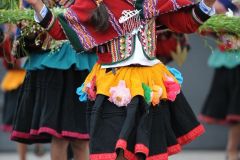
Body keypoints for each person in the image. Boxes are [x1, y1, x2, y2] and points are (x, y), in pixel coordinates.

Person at [25, 0, 216, 159]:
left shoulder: (152, 2)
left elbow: (187, 22)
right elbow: (62, 30)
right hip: (114, 83)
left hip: (148, 83)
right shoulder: (96, 2)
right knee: (115, 150)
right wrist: (36, 5)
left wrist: (208, 2)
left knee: (147, 150)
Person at [10, 1, 97, 160]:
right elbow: (25, 22)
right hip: (52, 66)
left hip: (83, 64)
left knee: (82, 138)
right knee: (59, 136)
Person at [199, 0, 240, 160]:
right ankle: (231, 150)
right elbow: (205, 20)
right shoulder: (223, 5)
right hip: (230, 62)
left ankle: (231, 150)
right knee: (235, 108)